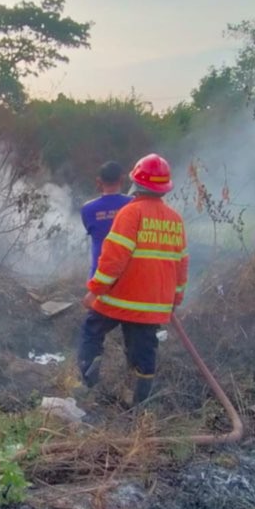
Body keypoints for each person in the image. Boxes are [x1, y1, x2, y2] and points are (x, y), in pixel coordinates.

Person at [78, 154, 189, 405]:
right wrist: (176, 298)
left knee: (92, 330)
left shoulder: (131, 213)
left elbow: (113, 259)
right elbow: (182, 264)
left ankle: (89, 383)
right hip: (153, 305)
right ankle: (137, 407)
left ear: (135, 182)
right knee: (144, 351)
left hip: (121, 298)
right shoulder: (175, 220)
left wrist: (95, 290)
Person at [81, 161, 133, 278]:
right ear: (122, 179)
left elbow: (90, 227)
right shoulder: (133, 204)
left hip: (99, 275)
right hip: (127, 275)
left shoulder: (88, 208)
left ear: (99, 181)